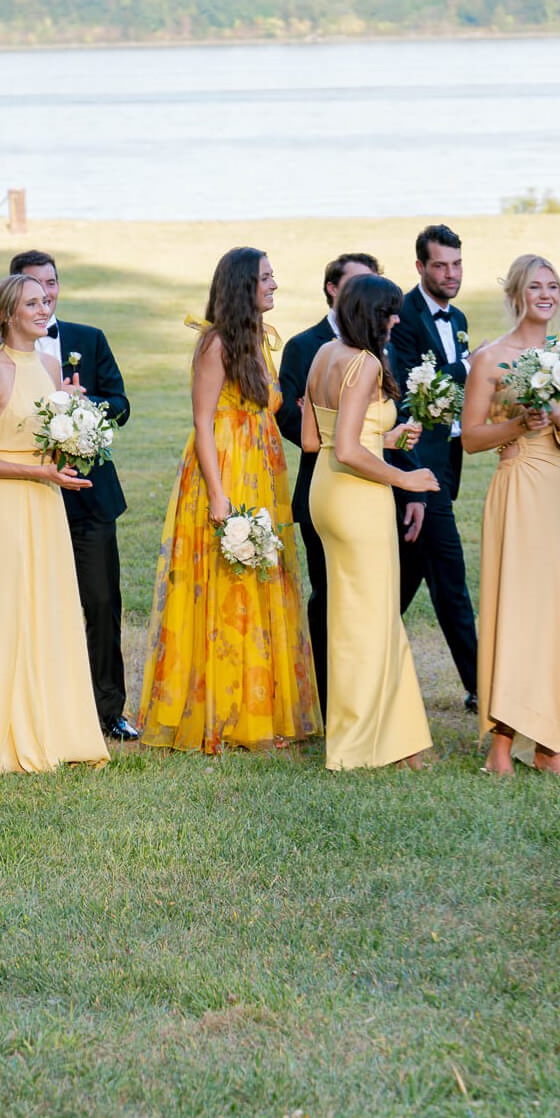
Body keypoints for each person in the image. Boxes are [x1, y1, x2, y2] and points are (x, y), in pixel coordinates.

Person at [138, 248, 321, 755]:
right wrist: (218, 495)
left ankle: (260, 710)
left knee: (261, 582)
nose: (275, 285)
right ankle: (221, 714)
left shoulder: (260, 339)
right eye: (266, 278)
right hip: (222, 468)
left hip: (261, 469)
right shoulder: (214, 344)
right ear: (243, 285)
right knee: (225, 584)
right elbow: (201, 421)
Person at [0, 275, 108, 774]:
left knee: (47, 609)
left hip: (45, 504)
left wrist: (77, 424)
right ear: (7, 315)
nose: (44, 307)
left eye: (46, 300)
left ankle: (55, 726)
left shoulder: (51, 366)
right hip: (5, 507)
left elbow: (51, 441)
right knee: (7, 611)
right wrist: (40, 471)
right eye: (32, 303)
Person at [462, 256, 560, 778]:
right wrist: (518, 423)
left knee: (555, 612)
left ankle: (549, 741)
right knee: (514, 610)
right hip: (517, 488)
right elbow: (471, 438)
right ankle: (501, 743)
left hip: (559, 488)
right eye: (535, 286)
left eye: (553, 286)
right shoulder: (490, 359)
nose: (546, 293)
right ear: (517, 293)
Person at [304, 274, 437, 771]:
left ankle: (389, 736)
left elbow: (315, 439)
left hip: (325, 492)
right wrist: (406, 481)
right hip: (357, 499)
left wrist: (390, 433)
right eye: (390, 312)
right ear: (369, 314)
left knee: (354, 615)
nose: (397, 320)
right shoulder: (361, 364)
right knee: (370, 619)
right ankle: (364, 743)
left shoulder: (324, 354)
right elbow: (347, 448)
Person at [7, 250, 138, 742]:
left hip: (90, 497)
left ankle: (109, 711)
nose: (47, 296)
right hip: (32, 495)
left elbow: (121, 404)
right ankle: (44, 706)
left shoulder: (89, 338)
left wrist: (88, 404)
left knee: (102, 602)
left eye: (52, 284)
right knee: (37, 603)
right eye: (36, 287)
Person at [275, 251, 383, 714]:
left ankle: (362, 689)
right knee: (327, 595)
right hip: (330, 484)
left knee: (368, 597)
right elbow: (288, 415)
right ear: (334, 291)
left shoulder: (380, 341)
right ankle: (326, 692)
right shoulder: (307, 345)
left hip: (372, 486)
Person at [389, 223, 478, 710]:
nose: (451, 274)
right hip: (415, 468)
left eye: (457, 264)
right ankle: (481, 686)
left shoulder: (458, 315)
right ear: (420, 267)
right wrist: (471, 366)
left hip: (446, 465)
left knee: (407, 580)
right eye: (440, 265)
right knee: (450, 577)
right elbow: (406, 392)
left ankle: (353, 666)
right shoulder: (401, 317)